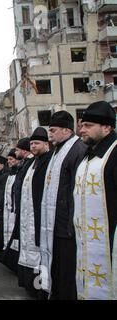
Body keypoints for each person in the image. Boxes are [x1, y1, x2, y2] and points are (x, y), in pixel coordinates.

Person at [39, 111, 87, 300]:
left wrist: (69, 226)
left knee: (67, 270)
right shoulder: (59, 149)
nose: (49, 134)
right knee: (58, 268)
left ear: (67, 130)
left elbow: (76, 189)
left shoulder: (77, 149)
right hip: (56, 223)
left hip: (67, 225)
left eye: (53, 130)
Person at [74, 101, 117, 300]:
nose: (81, 130)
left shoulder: (114, 154)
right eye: (81, 125)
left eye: (88, 126)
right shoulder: (88, 156)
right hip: (87, 243)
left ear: (106, 127)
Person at [17, 128, 52, 298]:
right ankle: (29, 284)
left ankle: (39, 287)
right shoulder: (32, 162)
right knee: (28, 248)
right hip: (27, 215)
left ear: (46, 144)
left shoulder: (49, 160)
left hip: (38, 216)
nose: (33, 146)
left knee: (38, 251)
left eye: (37, 143)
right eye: (31, 143)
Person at [0, 138, 34, 273]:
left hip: (22, 209)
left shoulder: (27, 165)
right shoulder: (22, 166)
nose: (15, 152)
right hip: (14, 208)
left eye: (17, 150)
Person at [2, 149, 19, 253]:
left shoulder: (18, 173)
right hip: (7, 208)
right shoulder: (9, 173)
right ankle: (7, 248)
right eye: (8, 159)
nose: (8, 161)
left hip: (14, 209)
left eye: (11, 159)